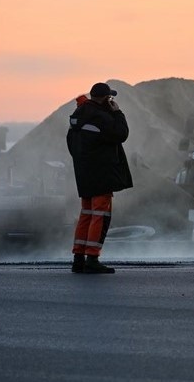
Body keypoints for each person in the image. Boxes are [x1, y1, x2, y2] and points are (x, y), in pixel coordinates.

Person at [66, 82, 133, 274]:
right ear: (105, 99)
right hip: (102, 173)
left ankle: (78, 258)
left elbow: (72, 145)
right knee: (100, 215)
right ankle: (92, 258)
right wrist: (117, 113)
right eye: (110, 98)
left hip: (85, 174)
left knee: (86, 214)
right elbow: (121, 134)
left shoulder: (78, 116)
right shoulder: (102, 117)